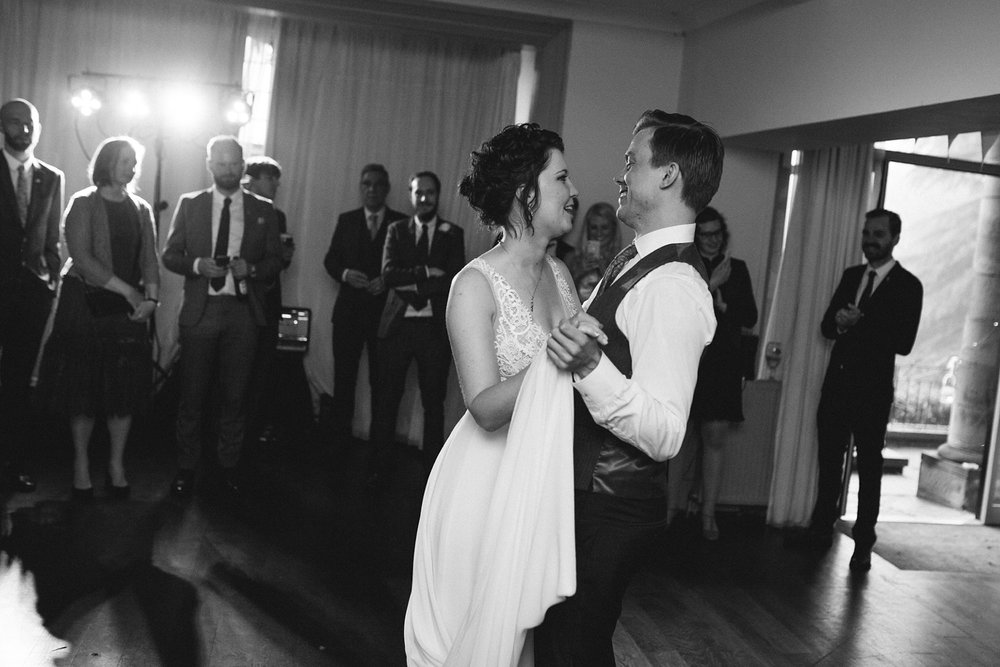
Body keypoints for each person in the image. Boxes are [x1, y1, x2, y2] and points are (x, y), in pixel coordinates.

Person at [405, 122, 602, 666]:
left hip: (544, 476)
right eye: (560, 177)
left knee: (527, 639)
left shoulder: (560, 273)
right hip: (486, 483)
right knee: (481, 639)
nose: (574, 190)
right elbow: (485, 407)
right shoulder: (473, 284)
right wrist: (557, 356)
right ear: (525, 192)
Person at [540, 110, 722, 665]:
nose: (620, 175)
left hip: (610, 505)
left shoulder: (673, 285)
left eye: (631, 162)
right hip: (584, 493)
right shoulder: (635, 259)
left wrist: (590, 364)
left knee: (575, 647)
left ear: (667, 176)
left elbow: (667, 434)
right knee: (563, 644)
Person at [36, 137, 159, 501]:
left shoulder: (141, 208)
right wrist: (131, 292)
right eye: (125, 160)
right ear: (107, 163)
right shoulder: (82, 202)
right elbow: (84, 260)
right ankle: (81, 465)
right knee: (83, 389)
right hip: (86, 305)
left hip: (126, 307)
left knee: (123, 390)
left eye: (134, 161)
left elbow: (150, 258)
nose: (131, 167)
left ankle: (117, 466)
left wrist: (151, 298)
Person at [162, 135, 283, 498]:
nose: (229, 169)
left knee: (235, 396)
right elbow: (170, 255)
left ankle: (228, 468)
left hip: (244, 313)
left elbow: (276, 262)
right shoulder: (191, 204)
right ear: (210, 164)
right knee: (192, 396)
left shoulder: (264, 210)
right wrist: (198, 265)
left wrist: (254, 269)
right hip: (201, 310)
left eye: (235, 163)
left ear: (243, 165)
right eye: (222, 163)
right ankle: (186, 468)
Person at [805, 208, 922, 573]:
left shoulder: (909, 285)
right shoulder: (852, 275)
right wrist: (840, 323)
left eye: (879, 234)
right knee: (828, 462)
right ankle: (820, 531)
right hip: (837, 386)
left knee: (869, 469)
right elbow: (826, 326)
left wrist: (862, 321)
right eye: (867, 233)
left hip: (872, 393)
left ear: (895, 239)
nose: (870, 240)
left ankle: (863, 542)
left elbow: (904, 343)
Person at [668, 206, 757, 540]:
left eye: (717, 233)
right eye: (705, 234)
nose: (712, 240)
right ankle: (669, 511)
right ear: (695, 235)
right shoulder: (683, 264)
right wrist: (710, 284)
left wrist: (724, 307)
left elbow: (749, 316)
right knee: (677, 440)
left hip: (723, 363)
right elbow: (676, 310)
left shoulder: (739, 269)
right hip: (687, 360)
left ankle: (707, 516)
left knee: (715, 438)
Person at [369, 171, 465, 472]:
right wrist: (425, 273)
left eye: (430, 193)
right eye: (418, 192)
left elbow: (452, 278)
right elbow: (388, 274)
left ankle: (432, 472)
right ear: (411, 195)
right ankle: (378, 466)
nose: (423, 198)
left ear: (438, 195)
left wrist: (412, 284)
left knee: (433, 403)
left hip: (434, 330)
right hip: (398, 327)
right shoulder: (396, 229)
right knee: (387, 400)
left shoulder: (453, 233)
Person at [0, 98, 63, 494]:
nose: (23, 130)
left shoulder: (51, 176)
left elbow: (50, 233)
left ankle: (11, 465)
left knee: (19, 382)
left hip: (32, 293)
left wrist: (51, 275)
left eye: (30, 123)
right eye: (14, 123)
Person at [323, 164, 407, 441]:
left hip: (385, 317)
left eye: (378, 184)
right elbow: (331, 261)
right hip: (348, 314)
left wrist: (389, 280)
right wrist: (347, 274)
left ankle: (378, 451)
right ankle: (339, 443)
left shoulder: (401, 222)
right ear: (361, 187)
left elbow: (410, 267)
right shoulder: (347, 220)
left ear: (387, 189)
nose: (372, 189)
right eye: (366, 184)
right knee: (343, 381)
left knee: (382, 385)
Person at [243, 156, 293, 451]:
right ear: (251, 179)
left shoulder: (279, 215)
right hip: (241, 301)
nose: (275, 185)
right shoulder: (236, 212)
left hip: (269, 302)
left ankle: (253, 435)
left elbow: (277, 263)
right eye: (270, 178)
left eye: (277, 179)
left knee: (262, 373)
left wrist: (284, 258)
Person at [563, 201, 622, 283]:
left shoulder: (622, 261)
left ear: (613, 229)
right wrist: (579, 273)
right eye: (594, 227)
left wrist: (604, 272)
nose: (599, 232)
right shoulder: (571, 259)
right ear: (587, 229)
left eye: (604, 227)